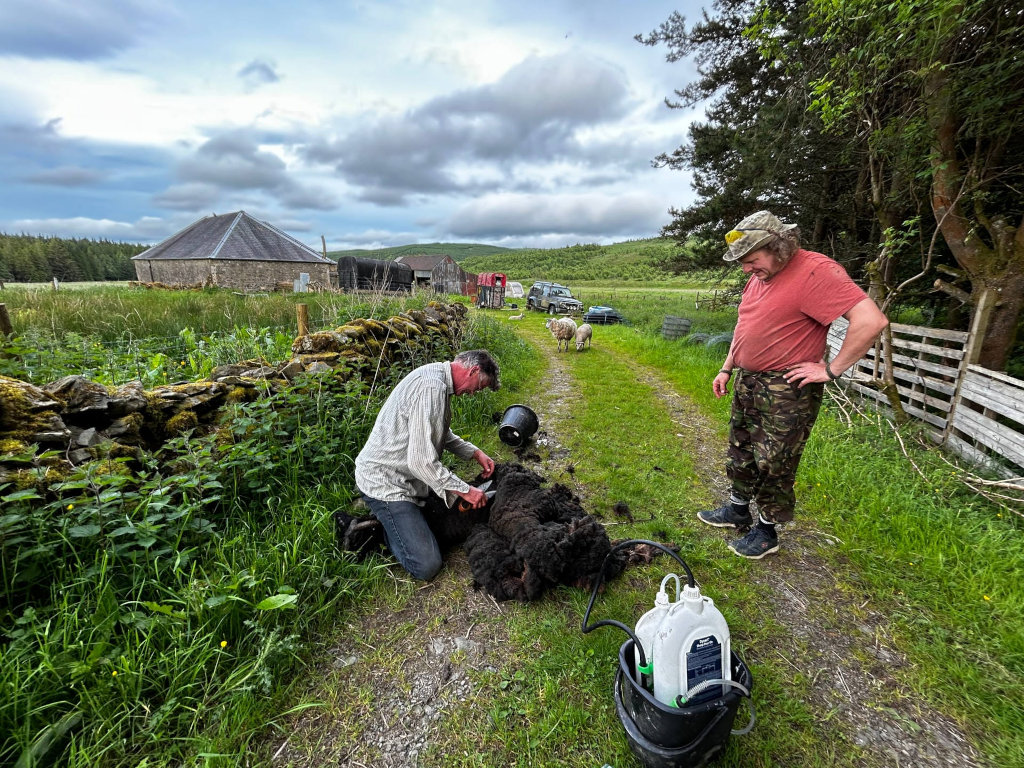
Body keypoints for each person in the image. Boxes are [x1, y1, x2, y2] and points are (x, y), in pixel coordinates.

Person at [698, 210, 889, 559]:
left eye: (751, 259)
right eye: (742, 262)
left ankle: (767, 532)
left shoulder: (816, 271)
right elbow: (745, 326)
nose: (745, 269)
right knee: (741, 450)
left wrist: (831, 370)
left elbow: (871, 320)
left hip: (786, 389)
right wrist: (727, 368)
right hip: (748, 380)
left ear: (779, 247)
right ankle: (737, 509)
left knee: (776, 460)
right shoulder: (759, 277)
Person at [355, 349, 500, 580]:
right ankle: (376, 530)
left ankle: (401, 522)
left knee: (439, 520)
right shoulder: (431, 388)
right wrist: (465, 490)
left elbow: (438, 431)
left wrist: (474, 453)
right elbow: (421, 462)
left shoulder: (437, 378)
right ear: (472, 371)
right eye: (479, 386)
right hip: (385, 482)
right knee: (427, 564)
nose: (473, 393)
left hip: (407, 476)